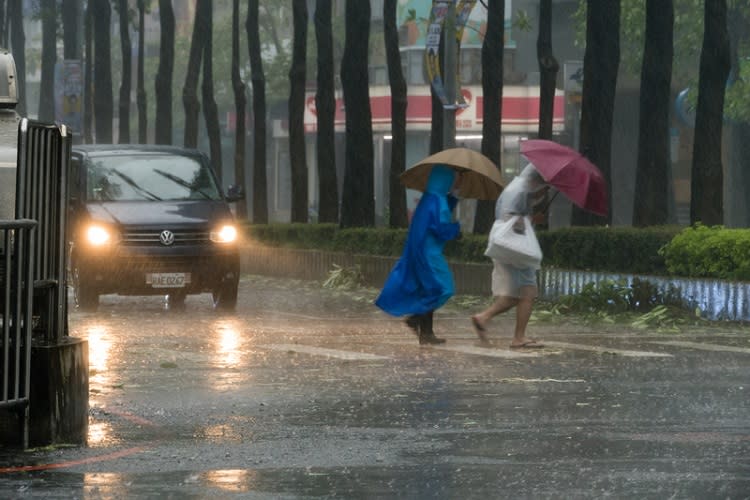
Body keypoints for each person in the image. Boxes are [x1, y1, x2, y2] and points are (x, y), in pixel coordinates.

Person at [375, 165, 462, 345]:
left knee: (428, 290)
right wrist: (456, 230)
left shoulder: (431, 198)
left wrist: (454, 196)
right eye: (452, 177)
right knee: (443, 288)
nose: (454, 180)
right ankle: (415, 318)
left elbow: (438, 215)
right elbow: (440, 227)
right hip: (429, 254)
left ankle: (426, 333)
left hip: (424, 251)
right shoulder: (436, 200)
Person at [471, 163, 549, 348]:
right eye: (545, 185)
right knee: (528, 292)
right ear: (537, 180)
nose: (545, 190)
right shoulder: (522, 192)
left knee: (514, 294)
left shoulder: (514, 188)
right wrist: (533, 219)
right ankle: (519, 338)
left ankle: (483, 318)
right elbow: (516, 222)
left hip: (504, 245)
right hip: (516, 249)